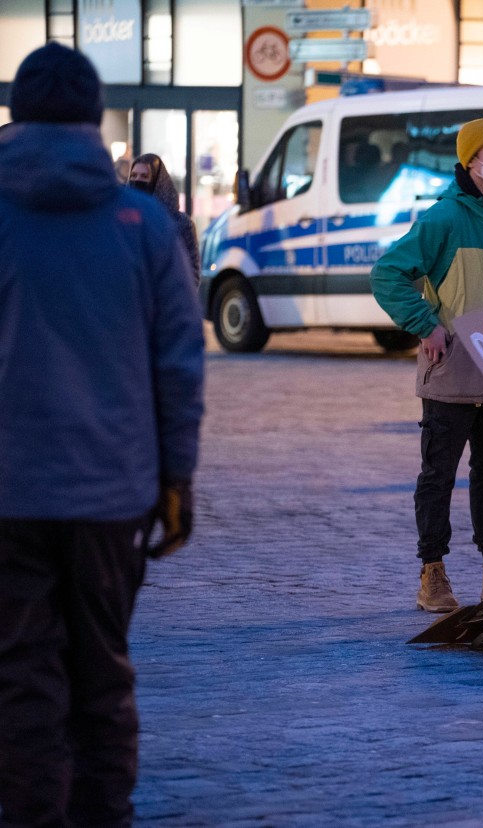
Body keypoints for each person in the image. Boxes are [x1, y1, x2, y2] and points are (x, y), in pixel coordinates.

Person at [0, 43, 205, 827]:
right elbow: (179, 364)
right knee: (102, 668)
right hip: (113, 489)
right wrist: (177, 479)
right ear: (95, 119)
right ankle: (102, 814)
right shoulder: (147, 224)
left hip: (9, 493)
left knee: (20, 671)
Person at [369, 118, 483, 612]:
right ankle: (432, 573)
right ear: (470, 158)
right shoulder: (444, 218)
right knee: (439, 477)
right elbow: (388, 273)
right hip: (452, 372)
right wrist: (426, 325)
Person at [129, 152, 201, 283]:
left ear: (158, 182)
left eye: (144, 176)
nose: (137, 180)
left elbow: (192, 272)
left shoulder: (181, 223)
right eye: (133, 175)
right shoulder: (123, 219)